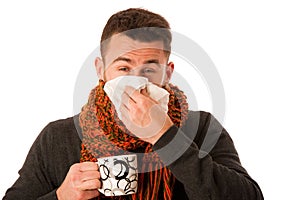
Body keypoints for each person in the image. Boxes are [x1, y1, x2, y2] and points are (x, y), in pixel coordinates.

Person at [3, 8, 264, 200]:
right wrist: (60, 196)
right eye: (124, 68)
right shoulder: (58, 137)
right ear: (101, 70)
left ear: (168, 73)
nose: (136, 82)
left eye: (149, 69)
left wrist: (165, 136)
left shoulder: (200, 127)